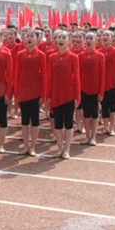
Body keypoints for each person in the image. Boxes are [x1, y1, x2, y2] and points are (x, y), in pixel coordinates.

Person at [45, 30, 81, 159]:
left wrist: (77, 97)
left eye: (63, 38)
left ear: (69, 41)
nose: (60, 40)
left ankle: (67, 149)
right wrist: (47, 96)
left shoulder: (73, 57)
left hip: (69, 94)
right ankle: (60, 148)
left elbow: (76, 78)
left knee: (68, 123)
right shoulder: (51, 57)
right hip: (55, 93)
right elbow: (49, 78)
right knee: (57, 123)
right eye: (59, 38)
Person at [14, 29, 47, 156]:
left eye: (32, 36)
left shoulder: (41, 55)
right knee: (24, 120)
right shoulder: (20, 54)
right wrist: (16, 93)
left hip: (35, 91)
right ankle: (26, 146)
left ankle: (33, 146)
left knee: (35, 120)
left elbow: (44, 76)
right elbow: (17, 74)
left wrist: (43, 96)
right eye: (27, 36)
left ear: (37, 39)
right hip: (23, 91)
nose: (29, 38)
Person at [79, 32, 105, 146]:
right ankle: (87, 136)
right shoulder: (81, 56)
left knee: (94, 114)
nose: (89, 40)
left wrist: (101, 91)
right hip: (84, 88)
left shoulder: (100, 56)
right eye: (87, 38)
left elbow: (102, 74)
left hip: (95, 89)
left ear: (95, 41)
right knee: (85, 114)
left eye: (91, 38)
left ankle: (93, 136)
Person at [99, 30, 115, 137]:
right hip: (102, 84)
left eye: (108, 36)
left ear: (112, 38)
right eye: (104, 35)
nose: (105, 37)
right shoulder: (99, 51)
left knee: (113, 107)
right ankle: (105, 127)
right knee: (104, 106)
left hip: (113, 83)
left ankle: (112, 127)